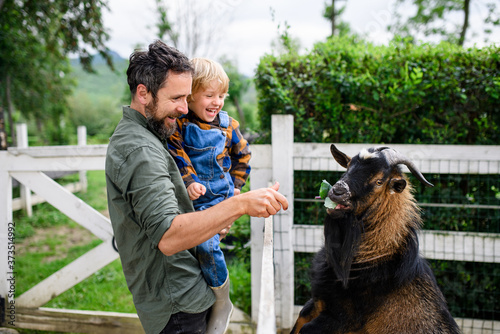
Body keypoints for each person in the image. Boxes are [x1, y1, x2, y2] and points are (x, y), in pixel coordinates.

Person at [105, 40, 288, 334]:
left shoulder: (155, 131)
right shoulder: (140, 149)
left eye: (187, 97)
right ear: (143, 92)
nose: (182, 108)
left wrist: (215, 219)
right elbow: (168, 236)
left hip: (187, 287)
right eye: (176, 98)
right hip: (177, 301)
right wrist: (239, 205)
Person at [167, 57, 250, 334]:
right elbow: (176, 153)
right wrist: (189, 180)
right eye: (210, 95)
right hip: (192, 198)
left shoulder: (228, 124)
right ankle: (205, 297)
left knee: (207, 245)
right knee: (189, 249)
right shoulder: (180, 124)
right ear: (190, 97)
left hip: (219, 197)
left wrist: (237, 187)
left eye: (222, 96)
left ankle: (222, 299)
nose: (217, 102)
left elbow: (244, 155)